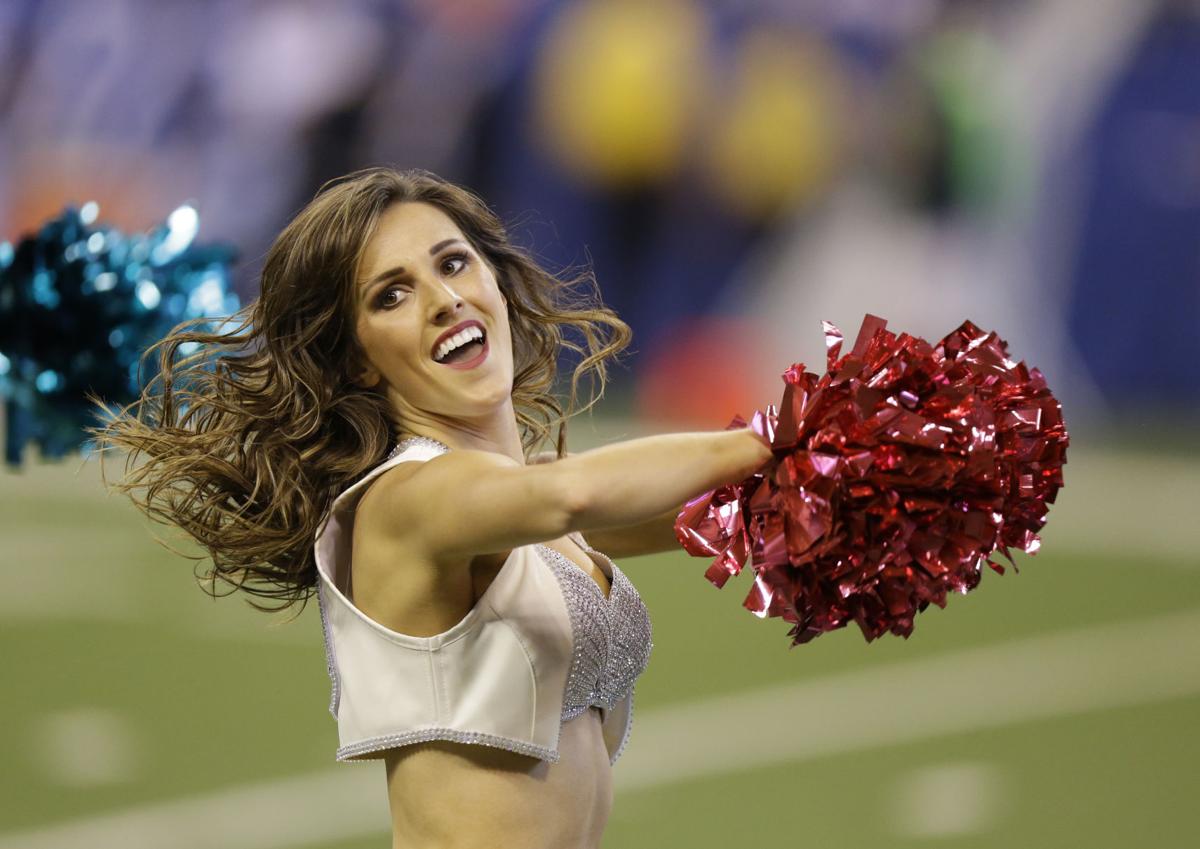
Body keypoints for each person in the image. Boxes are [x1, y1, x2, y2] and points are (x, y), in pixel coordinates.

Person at [95, 167, 773, 849]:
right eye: (392, 295)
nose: (444, 299)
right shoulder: (410, 500)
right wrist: (765, 440)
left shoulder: (511, 501)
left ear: (495, 282)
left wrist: (815, 496)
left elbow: (695, 517)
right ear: (360, 361)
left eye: (453, 263)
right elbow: (577, 493)